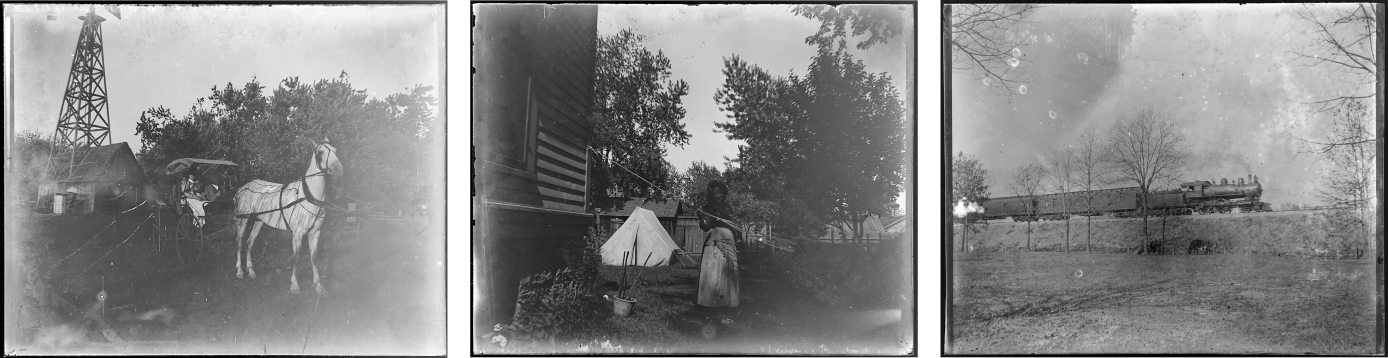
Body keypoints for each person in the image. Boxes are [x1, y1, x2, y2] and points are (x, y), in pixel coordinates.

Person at [696, 180, 739, 308]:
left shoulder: (728, 209)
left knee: (727, 269)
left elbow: (735, 226)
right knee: (712, 270)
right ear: (711, 194)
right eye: (715, 193)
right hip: (714, 239)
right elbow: (705, 226)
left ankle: (727, 301)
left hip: (728, 239)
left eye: (720, 192)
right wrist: (701, 216)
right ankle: (708, 301)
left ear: (723, 194)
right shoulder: (707, 208)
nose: (717, 195)